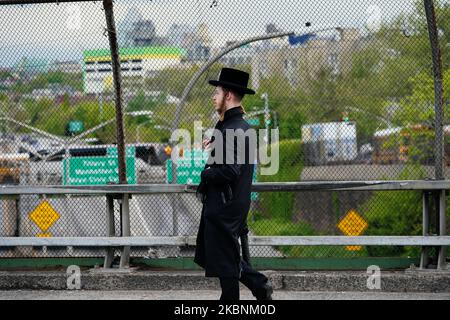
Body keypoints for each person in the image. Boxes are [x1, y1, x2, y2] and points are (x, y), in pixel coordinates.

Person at [194, 67, 273, 301]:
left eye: (217, 92)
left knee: (225, 262)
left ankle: (258, 286)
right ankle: (259, 287)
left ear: (228, 95)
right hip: (231, 203)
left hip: (224, 206)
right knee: (225, 259)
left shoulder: (232, 129)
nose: (213, 96)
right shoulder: (237, 127)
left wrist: (206, 174)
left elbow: (230, 170)